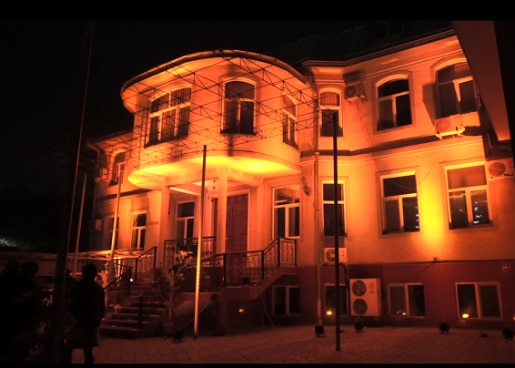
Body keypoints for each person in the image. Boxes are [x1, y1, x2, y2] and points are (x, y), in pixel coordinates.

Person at [63, 263, 106, 364]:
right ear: (95, 274)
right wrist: (99, 317)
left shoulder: (77, 287)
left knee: (70, 346)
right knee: (88, 348)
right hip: (90, 321)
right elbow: (101, 305)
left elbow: (71, 303)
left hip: (77, 320)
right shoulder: (97, 288)